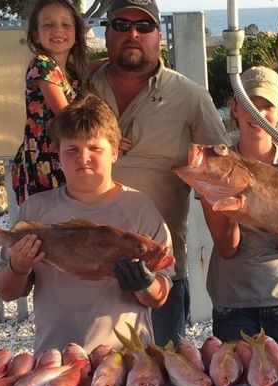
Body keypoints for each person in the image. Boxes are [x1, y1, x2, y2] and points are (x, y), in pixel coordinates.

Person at [84, 0, 227, 346]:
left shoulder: (191, 98)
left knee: (163, 380)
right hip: (86, 272)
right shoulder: (78, 89)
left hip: (159, 271)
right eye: (120, 25)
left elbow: (221, 179)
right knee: (88, 383)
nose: (132, 33)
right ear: (106, 34)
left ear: (159, 36)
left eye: (144, 26)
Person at [0, 95, 171, 355]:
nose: (83, 157)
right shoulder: (37, 209)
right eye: (72, 150)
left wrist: (144, 284)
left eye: (94, 148)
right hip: (55, 357)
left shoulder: (139, 208)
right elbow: (6, 292)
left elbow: (161, 295)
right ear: (58, 156)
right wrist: (18, 267)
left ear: (115, 152)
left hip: (127, 360)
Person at [200, 66, 278, 347]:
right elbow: (227, 248)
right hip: (233, 304)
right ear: (235, 109)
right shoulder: (216, 165)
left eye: (267, 106)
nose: (258, 114)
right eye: (250, 105)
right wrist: (231, 203)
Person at [10, 0, 91, 205]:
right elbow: (66, 115)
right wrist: (109, 138)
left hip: (62, 157)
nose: (58, 30)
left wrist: (111, 62)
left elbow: (90, 68)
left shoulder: (70, 73)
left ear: (76, 32)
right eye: (48, 24)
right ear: (36, 35)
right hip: (43, 161)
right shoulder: (42, 65)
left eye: (66, 25)